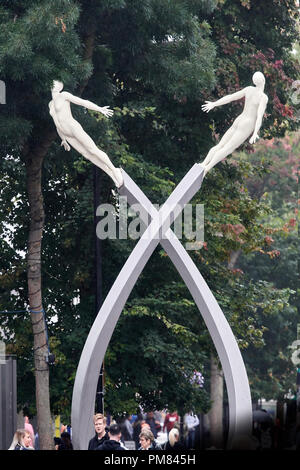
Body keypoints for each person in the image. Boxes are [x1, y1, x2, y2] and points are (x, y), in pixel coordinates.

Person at [49, 80, 123, 188]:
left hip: (73, 128)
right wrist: (63, 139)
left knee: (93, 150)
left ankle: (114, 169)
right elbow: (57, 123)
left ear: (60, 86)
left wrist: (99, 109)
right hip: (67, 135)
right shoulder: (50, 104)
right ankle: (110, 173)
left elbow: (82, 102)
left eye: (56, 83)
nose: (53, 84)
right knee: (87, 155)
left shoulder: (64, 95)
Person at [200, 71, 268, 177]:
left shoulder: (249, 89)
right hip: (247, 124)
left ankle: (203, 164)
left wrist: (214, 104)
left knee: (220, 145)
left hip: (239, 119)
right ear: (263, 80)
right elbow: (259, 116)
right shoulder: (263, 97)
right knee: (227, 148)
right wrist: (255, 132)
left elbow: (230, 97)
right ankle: (206, 168)